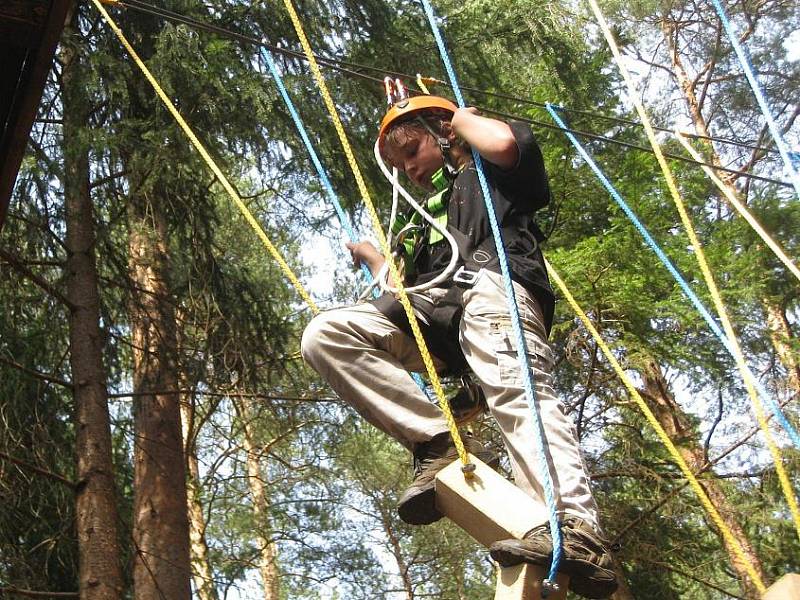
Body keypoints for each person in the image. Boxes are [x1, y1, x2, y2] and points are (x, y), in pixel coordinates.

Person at [300, 90, 617, 599]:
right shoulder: (420, 221)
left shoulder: (485, 174)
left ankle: (573, 529)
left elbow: (505, 142)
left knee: (518, 394)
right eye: (397, 165)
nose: (409, 170)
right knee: (327, 335)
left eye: (412, 152)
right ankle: (436, 439)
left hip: (493, 287)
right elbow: (403, 293)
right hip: (436, 311)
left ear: (442, 136)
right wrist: (377, 260)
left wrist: (456, 118)